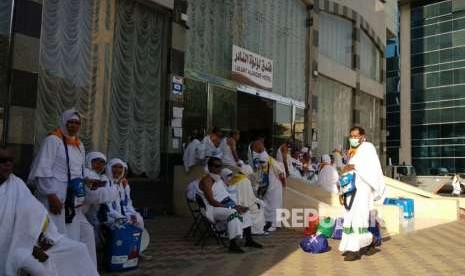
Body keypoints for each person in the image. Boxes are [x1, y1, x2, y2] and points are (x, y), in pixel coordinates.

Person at [0, 148, 99, 276]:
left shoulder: (16, 184)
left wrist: (41, 243)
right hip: (12, 248)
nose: (8, 164)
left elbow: (37, 215)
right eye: (2, 161)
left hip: (31, 242)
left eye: (10, 161)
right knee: (44, 272)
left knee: (79, 249)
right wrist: (31, 248)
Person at [28, 109, 86, 236]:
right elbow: (43, 169)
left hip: (72, 195)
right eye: (70, 122)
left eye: (77, 123)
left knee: (70, 232)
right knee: (52, 233)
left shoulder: (79, 144)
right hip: (54, 193)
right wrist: (51, 195)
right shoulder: (53, 140)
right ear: (63, 122)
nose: (74, 126)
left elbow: (78, 169)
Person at [339, 126, 386, 261]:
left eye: (356, 136)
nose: (353, 139)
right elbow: (349, 170)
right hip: (351, 189)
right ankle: (354, 244)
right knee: (349, 217)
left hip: (362, 189)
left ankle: (355, 249)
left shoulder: (368, 147)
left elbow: (371, 167)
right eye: (351, 136)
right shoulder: (354, 151)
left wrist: (352, 166)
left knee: (359, 217)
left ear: (362, 136)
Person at [197, 157, 263, 253]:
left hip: (225, 206)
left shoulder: (218, 179)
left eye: (220, 166)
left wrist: (236, 205)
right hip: (214, 208)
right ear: (210, 167)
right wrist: (232, 207)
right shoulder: (206, 181)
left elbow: (226, 194)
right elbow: (212, 201)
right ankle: (233, 243)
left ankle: (248, 240)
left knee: (245, 211)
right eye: (216, 166)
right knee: (233, 213)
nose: (219, 169)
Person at [225, 165, 267, 235]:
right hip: (244, 205)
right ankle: (257, 230)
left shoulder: (234, 178)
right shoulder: (245, 180)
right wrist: (258, 202)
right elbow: (250, 197)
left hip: (234, 204)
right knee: (258, 208)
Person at [105, 158, 144, 229]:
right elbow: (107, 207)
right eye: (115, 167)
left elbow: (127, 203)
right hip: (110, 216)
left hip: (122, 214)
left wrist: (132, 214)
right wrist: (121, 217)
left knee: (138, 220)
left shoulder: (121, 184)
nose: (118, 170)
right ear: (109, 168)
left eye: (120, 168)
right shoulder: (106, 182)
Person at [255, 151, 286, 232]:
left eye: (263, 162)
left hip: (275, 189)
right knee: (266, 206)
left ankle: (275, 225)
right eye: (260, 162)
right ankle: (266, 222)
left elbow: (281, 174)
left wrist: (284, 185)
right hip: (267, 189)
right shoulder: (261, 165)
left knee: (275, 207)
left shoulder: (273, 163)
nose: (262, 163)